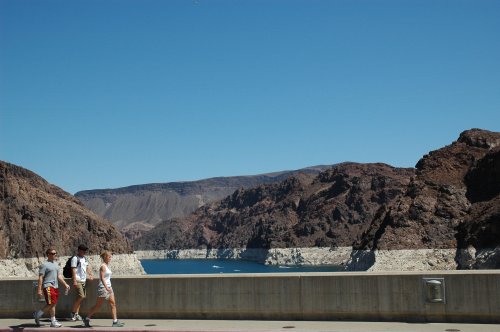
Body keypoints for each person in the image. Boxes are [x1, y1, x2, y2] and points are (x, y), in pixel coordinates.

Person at [83, 251, 125, 328]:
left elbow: (106, 278)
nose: (110, 258)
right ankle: (87, 318)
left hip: (109, 287)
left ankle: (115, 322)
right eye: (109, 257)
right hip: (103, 288)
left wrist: (109, 288)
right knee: (98, 306)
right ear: (105, 257)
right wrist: (106, 287)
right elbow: (102, 278)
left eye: (110, 257)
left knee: (113, 304)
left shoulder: (106, 265)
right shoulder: (103, 266)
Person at [33, 248, 70, 328]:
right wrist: (39, 289)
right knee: (52, 303)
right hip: (48, 286)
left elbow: (59, 276)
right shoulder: (44, 265)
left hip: (55, 286)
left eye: (55, 253)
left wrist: (65, 284)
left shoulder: (56, 264)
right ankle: (38, 314)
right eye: (53, 253)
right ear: (48, 255)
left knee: (53, 304)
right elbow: (40, 278)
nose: (55, 255)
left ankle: (53, 321)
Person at [70, 244, 94, 321]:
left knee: (80, 298)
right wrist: (74, 280)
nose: (84, 252)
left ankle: (76, 314)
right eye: (83, 250)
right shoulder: (75, 258)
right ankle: (73, 313)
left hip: (83, 280)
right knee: (82, 296)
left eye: (85, 250)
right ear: (79, 250)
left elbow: (86, 267)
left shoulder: (84, 258)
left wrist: (90, 274)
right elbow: (73, 269)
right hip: (78, 280)